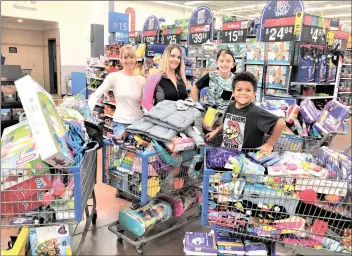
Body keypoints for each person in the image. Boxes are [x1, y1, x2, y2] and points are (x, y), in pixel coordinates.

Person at [205, 71, 286, 152]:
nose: (243, 93)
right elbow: (226, 122)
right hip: (226, 152)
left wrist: (269, 144)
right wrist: (215, 131)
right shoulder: (231, 106)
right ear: (233, 93)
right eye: (239, 90)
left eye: (248, 90)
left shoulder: (256, 112)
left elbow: (281, 123)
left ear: (254, 94)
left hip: (246, 159)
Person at [88, 45, 146, 136]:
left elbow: (145, 103)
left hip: (138, 123)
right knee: (122, 148)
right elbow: (95, 95)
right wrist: (87, 115)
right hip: (120, 123)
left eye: (131, 57)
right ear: (121, 59)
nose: (129, 60)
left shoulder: (141, 80)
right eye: (125, 57)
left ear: (136, 59)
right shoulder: (114, 77)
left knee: (136, 149)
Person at [142, 43, 188, 111]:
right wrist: (158, 116)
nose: (176, 59)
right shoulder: (155, 77)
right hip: (161, 120)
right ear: (166, 57)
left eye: (178, 57)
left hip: (180, 120)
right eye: (172, 56)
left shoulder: (181, 78)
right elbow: (146, 102)